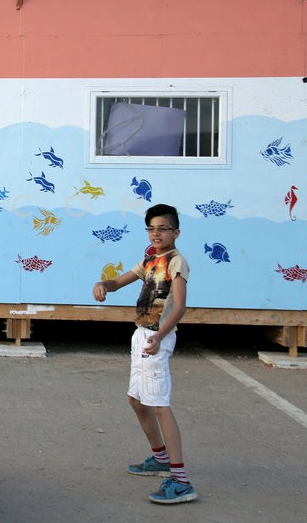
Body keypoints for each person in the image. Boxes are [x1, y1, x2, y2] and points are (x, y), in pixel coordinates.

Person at [91, 204, 197, 505]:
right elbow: (117, 282)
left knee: (160, 406)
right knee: (136, 400)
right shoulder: (150, 259)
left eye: (162, 228)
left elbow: (179, 307)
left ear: (176, 232)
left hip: (156, 338)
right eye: (151, 228)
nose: (156, 233)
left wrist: (160, 337)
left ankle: (181, 481)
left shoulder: (177, 262)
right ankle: (160, 458)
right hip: (142, 335)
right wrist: (103, 285)